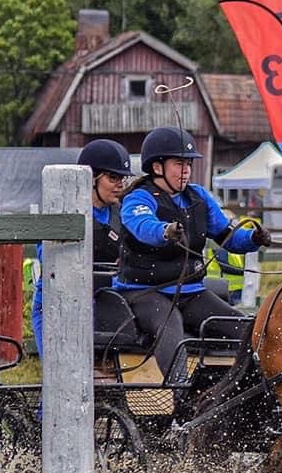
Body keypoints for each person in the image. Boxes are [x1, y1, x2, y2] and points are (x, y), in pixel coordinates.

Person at [114, 126, 270, 381]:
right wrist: (164, 231)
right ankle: (179, 400)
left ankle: (247, 389)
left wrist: (253, 239)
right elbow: (143, 226)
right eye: (179, 163)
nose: (186, 169)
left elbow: (226, 235)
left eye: (188, 163)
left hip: (191, 292)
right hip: (145, 292)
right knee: (171, 333)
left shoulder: (198, 197)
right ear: (157, 167)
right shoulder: (138, 198)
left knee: (247, 331)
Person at [31, 138, 133, 356]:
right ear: (91, 178)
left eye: (122, 179)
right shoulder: (63, 210)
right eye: (113, 178)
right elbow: (49, 258)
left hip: (107, 299)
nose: (120, 185)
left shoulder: (123, 213)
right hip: (60, 302)